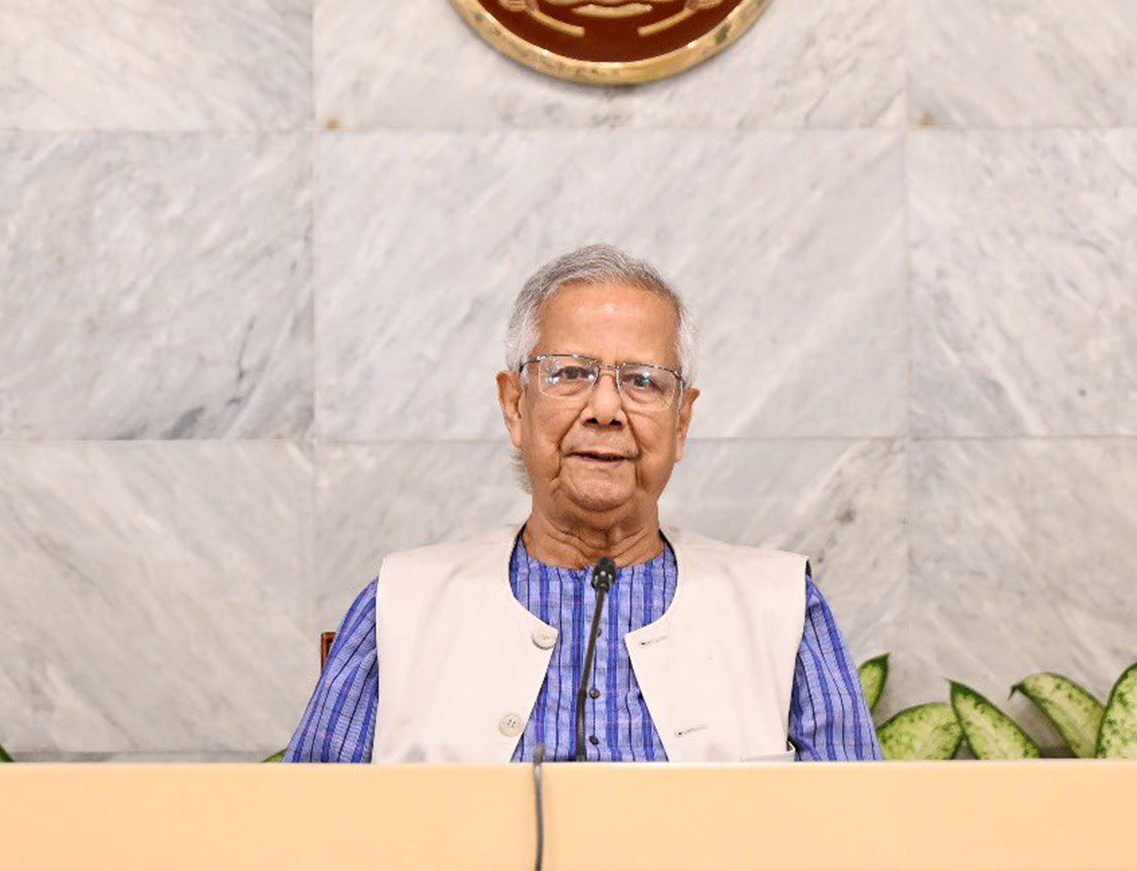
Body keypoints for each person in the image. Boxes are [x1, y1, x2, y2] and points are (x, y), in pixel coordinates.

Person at [284, 244, 882, 763]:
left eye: (643, 381)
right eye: (570, 374)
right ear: (515, 406)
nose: (605, 409)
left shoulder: (781, 605)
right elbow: (304, 828)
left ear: (681, 422)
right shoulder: (402, 601)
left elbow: (862, 828)